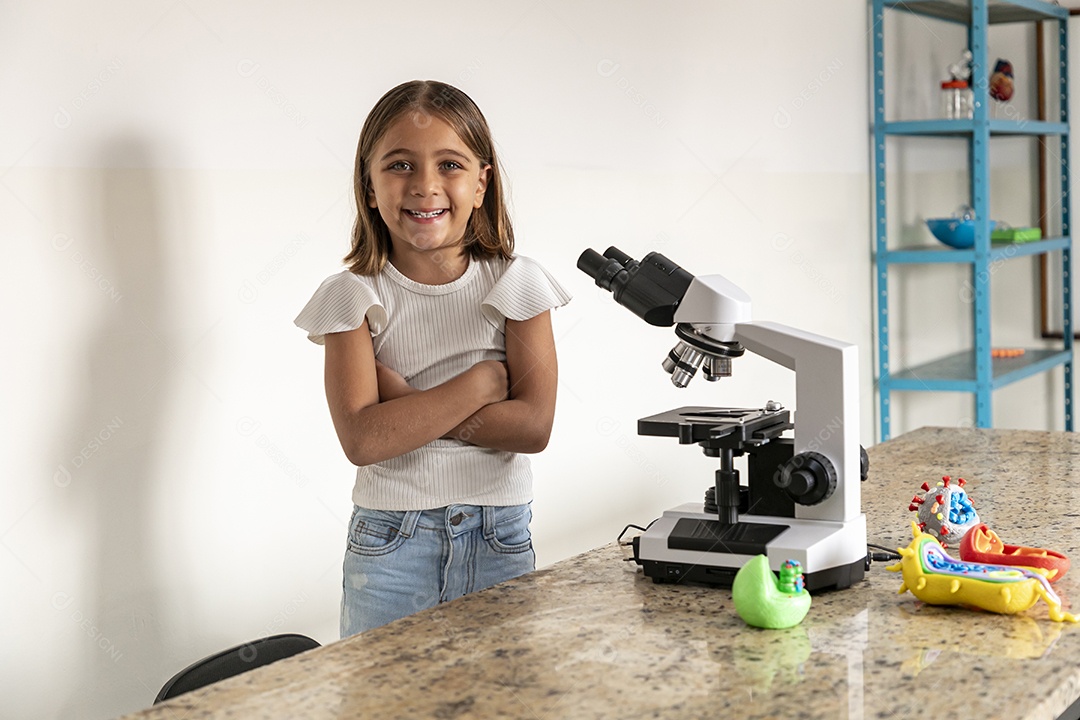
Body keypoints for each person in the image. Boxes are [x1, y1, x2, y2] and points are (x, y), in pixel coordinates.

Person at [294, 80, 571, 637]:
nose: (425, 186)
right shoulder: (351, 297)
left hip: (500, 537)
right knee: (386, 701)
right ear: (369, 187)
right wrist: (480, 384)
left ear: (481, 182)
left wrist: (404, 404)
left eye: (450, 164)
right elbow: (365, 440)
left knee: (501, 698)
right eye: (399, 165)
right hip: (391, 543)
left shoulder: (518, 283)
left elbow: (533, 428)